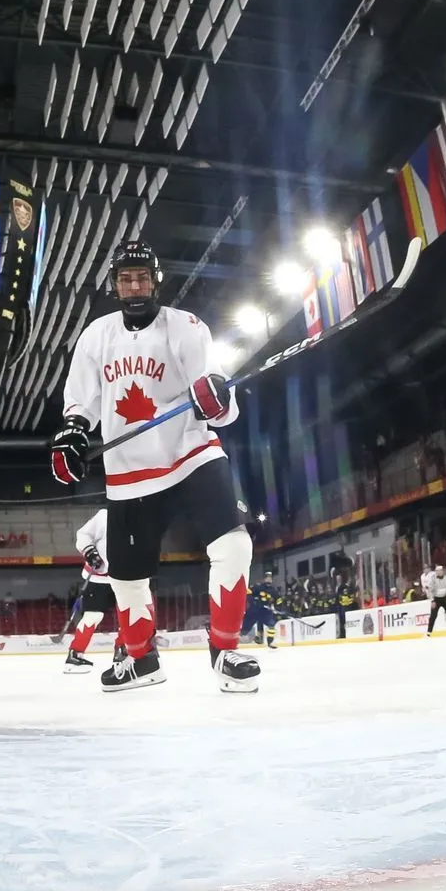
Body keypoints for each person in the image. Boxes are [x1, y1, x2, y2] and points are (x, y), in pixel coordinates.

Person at [51, 240, 260, 693]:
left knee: (234, 545)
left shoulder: (186, 327)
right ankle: (142, 662)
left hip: (191, 455)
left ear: (157, 279)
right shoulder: (95, 337)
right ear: (114, 286)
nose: (135, 286)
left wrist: (216, 400)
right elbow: (80, 404)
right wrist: (71, 435)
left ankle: (225, 651)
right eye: (126, 280)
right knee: (126, 579)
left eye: (143, 277)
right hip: (128, 473)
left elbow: (217, 395)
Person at [63, 508, 118, 673]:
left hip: (124, 576)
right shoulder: (105, 515)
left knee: (128, 614)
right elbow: (83, 535)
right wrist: (90, 552)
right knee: (94, 615)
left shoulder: (140, 517)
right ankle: (75, 655)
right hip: (98, 577)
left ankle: (123, 652)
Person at [245, 571, 280, 648]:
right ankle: (259, 637)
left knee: (271, 625)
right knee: (257, 622)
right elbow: (249, 592)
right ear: (264, 579)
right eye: (267, 577)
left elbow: (278, 600)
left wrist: (278, 608)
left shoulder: (273, 590)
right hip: (258, 610)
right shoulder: (258, 587)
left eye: (270, 577)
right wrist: (253, 601)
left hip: (267, 611)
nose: (269, 579)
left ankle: (269, 642)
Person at [426, 564, 446, 635]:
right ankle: (429, 632)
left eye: (440, 571)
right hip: (436, 599)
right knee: (433, 616)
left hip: (445, 598)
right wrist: (432, 600)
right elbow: (429, 590)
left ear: (443, 571)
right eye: (437, 571)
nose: (439, 572)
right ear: (436, 572)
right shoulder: (433, 579)